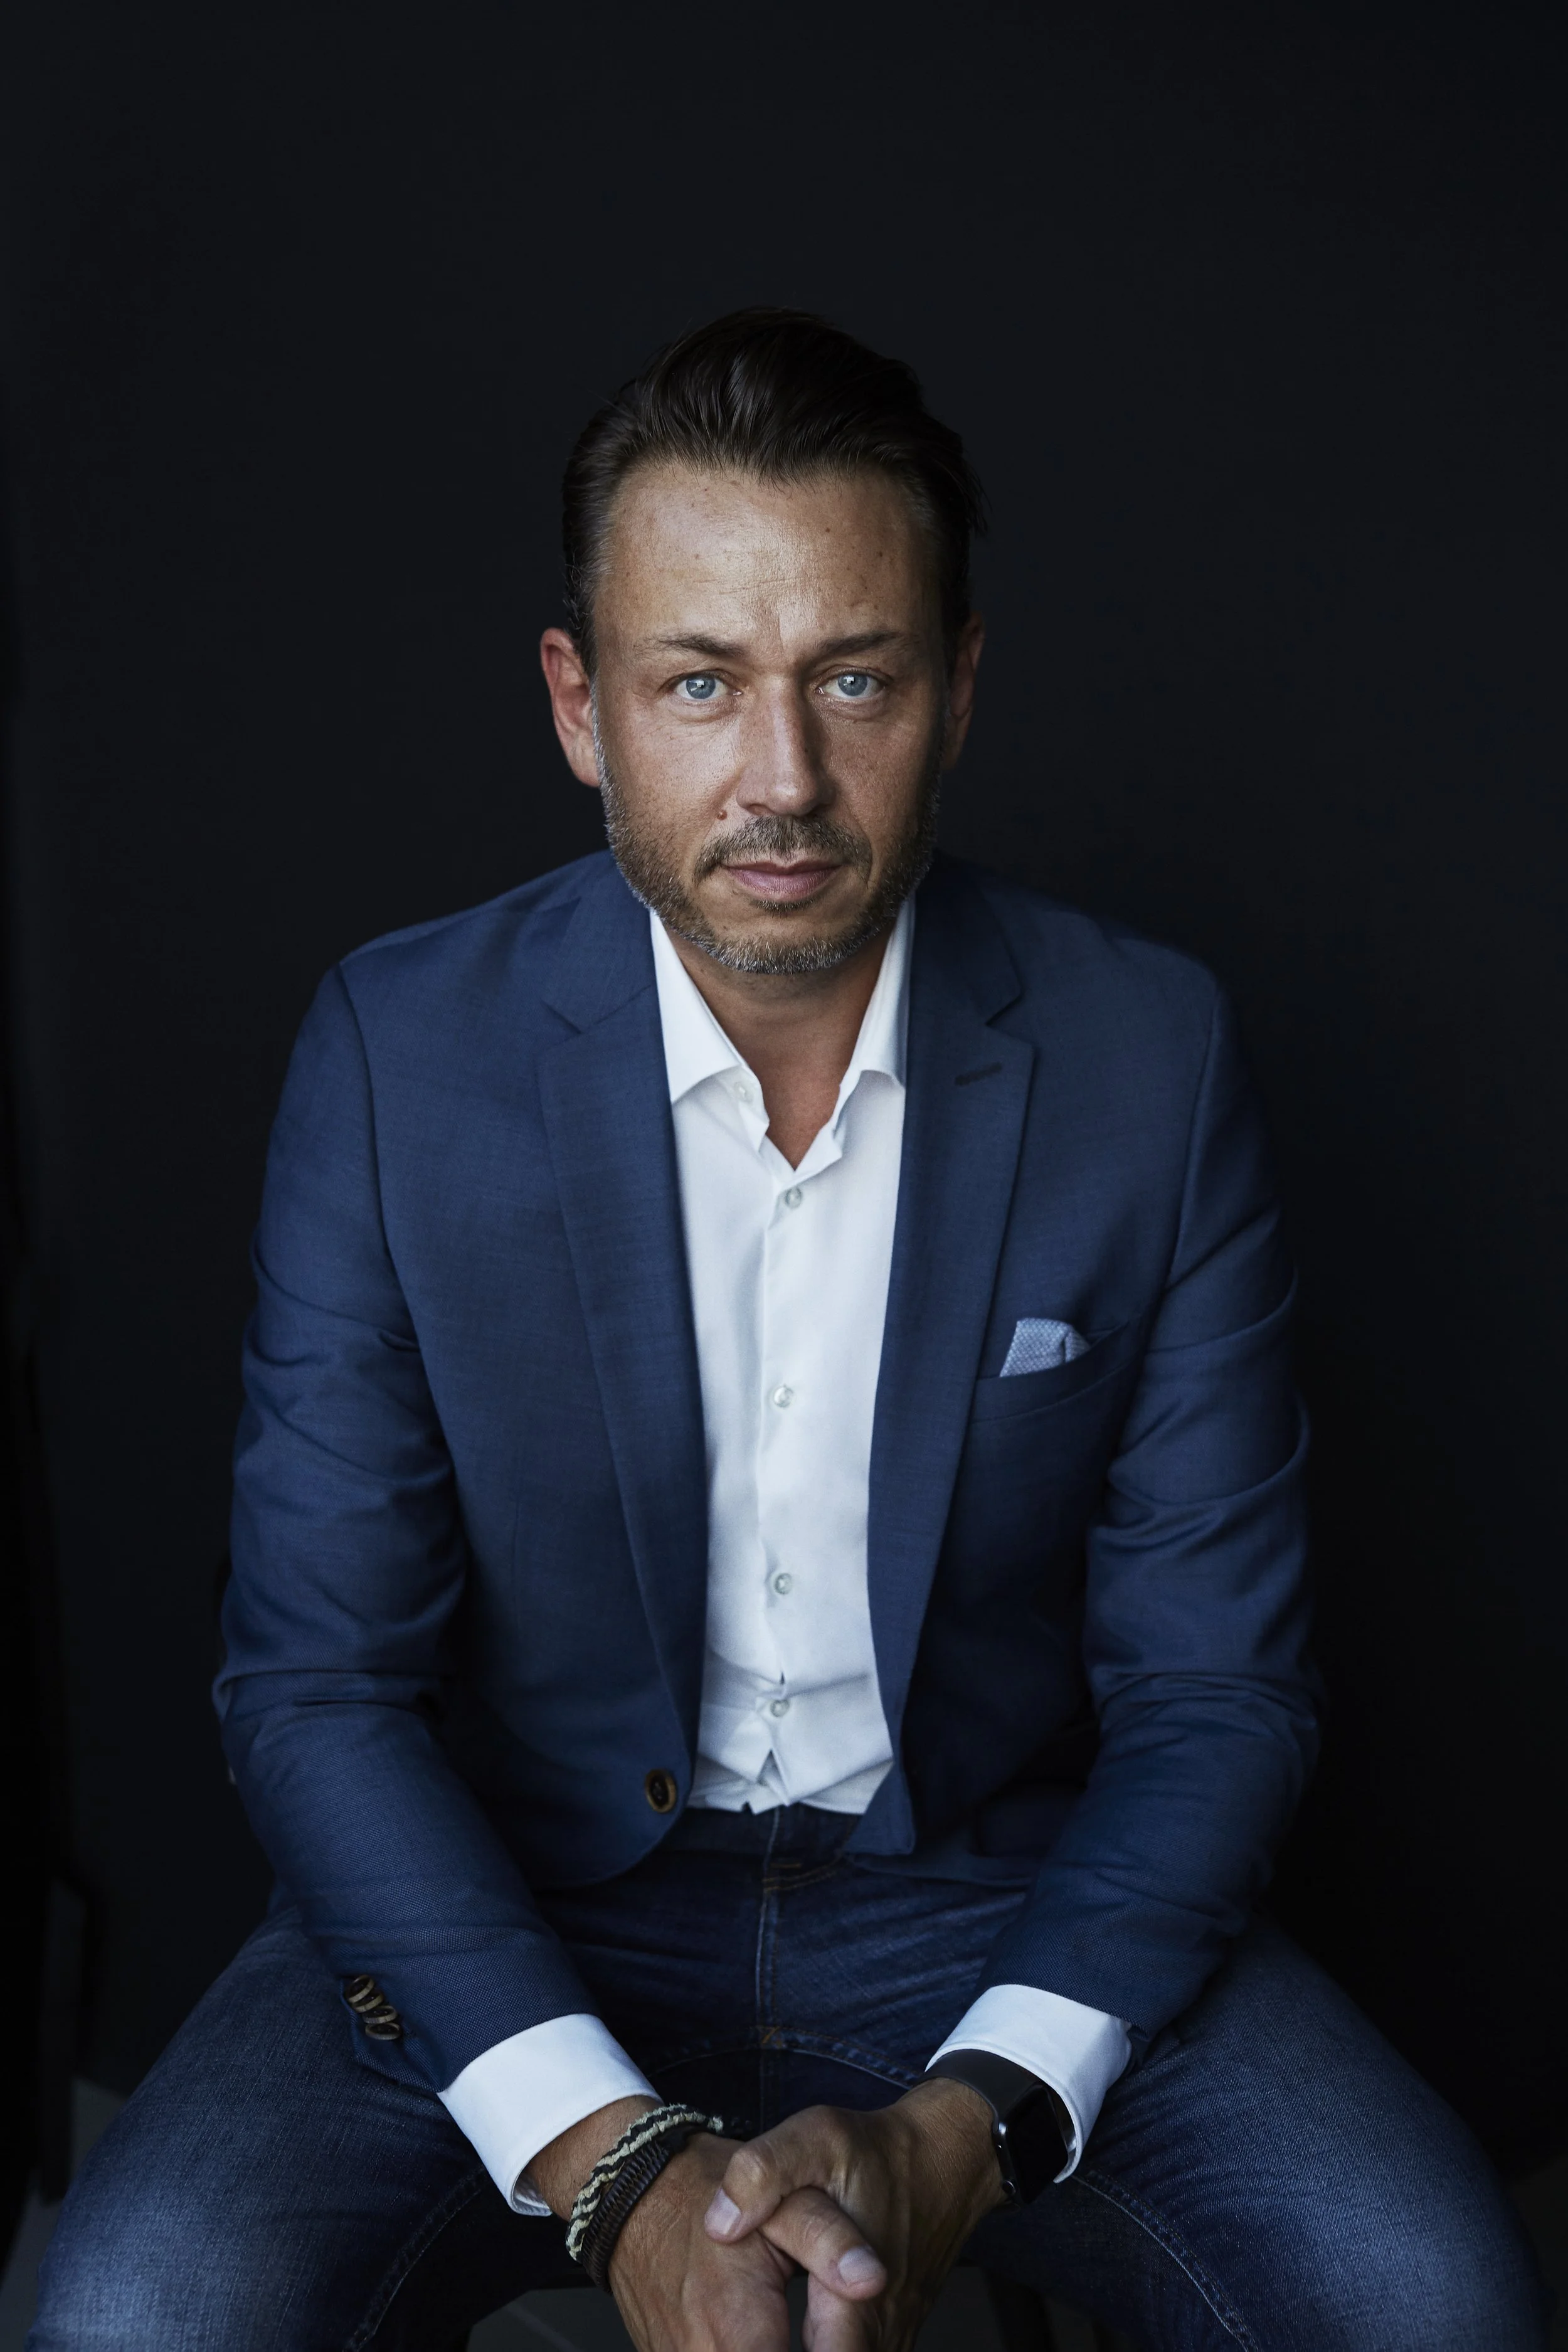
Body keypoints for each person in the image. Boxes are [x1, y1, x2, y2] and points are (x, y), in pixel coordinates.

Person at [31, 309, 1547, 2352]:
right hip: (510, 1894)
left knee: (1431, 2298)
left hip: (991, 1891)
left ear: (959, 686)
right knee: (133, 2317)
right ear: (580, 707)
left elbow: (1214, 1688)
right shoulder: (401, 1055)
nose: (783, 779)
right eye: (697, 683)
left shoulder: (1143, 1055)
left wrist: (958, 2128)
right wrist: (622, 2167)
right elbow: (314, 1682)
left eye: (856, 677)